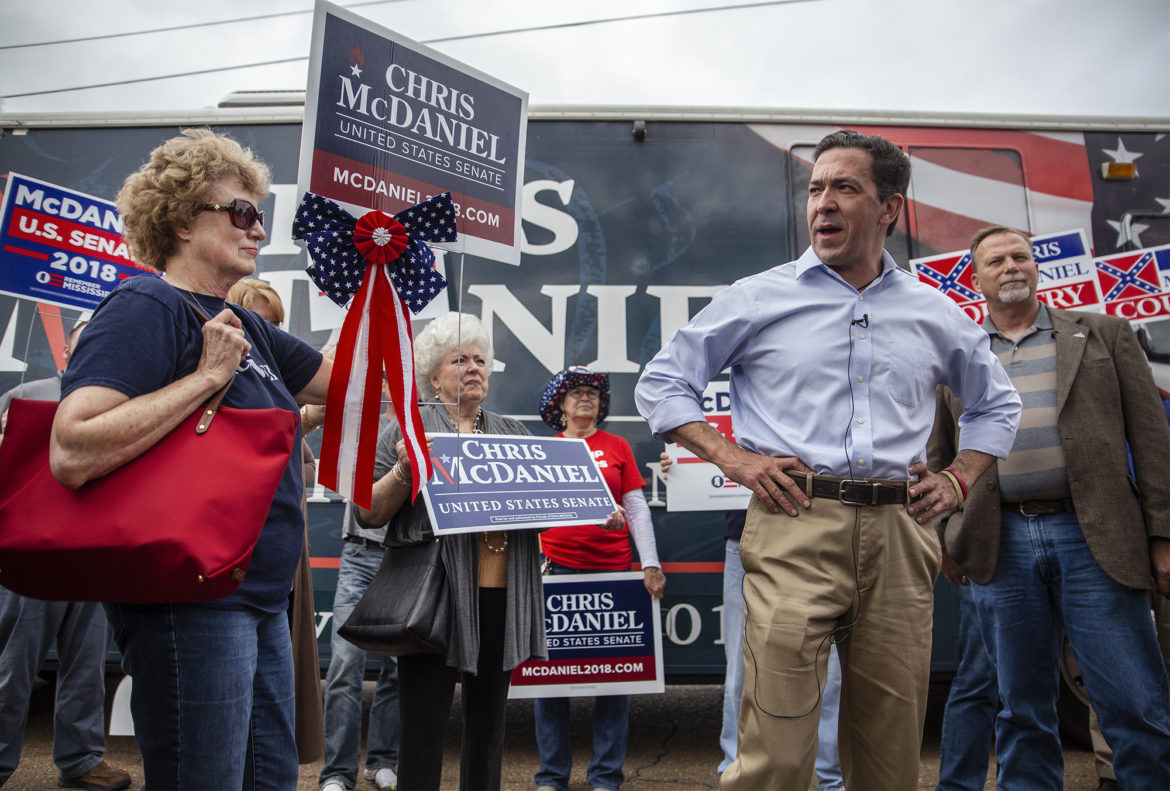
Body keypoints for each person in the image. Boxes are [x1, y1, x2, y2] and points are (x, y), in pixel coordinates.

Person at [634, 130, 1021, 791]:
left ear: (889, 208)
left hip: (901, 537)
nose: (823, 203)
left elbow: (997, 405)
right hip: (794, 523)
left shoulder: (933, 310)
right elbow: (663, 383)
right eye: (815, 188)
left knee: (888, 757)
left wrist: (959, 480)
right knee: (776, 755)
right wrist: (738, 460)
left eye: (845, 187)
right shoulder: (761, 296)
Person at [50, 129, 332, 789]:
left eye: (259, 216)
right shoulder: (145, 305)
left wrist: (383, 275)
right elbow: (72, 446)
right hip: (193, 601)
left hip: (257, 598)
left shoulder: (250, 326)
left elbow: (358, 384)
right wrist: (206, 378)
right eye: (240, 212)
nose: (257, 229)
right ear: (181, 220)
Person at [929, 225, 1170, 791]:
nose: (1011, 266)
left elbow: (1152, 440)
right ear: (977, 278)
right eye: (996, 261)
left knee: (1135, 705)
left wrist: (1163, 535)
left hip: (1096, 539)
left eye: (1020, 256)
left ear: (1036, 267)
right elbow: (937, 452)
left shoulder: (1104, 334)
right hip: (999, 544)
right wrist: (947, 533)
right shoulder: (957, 354)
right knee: (1021, 712)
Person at [355, 313, 620, 791]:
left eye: (480, 359)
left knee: (489, 726)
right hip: (435, 595)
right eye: (460, 360)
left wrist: (592, 507)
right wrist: (404, 471)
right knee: (425, 726)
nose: (474, 368)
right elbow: (368, 513)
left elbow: (541, 502)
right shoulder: (409, 427)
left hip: (500, 593)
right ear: (434, 375)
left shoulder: (511, 431)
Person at [0, 320, 133, 791]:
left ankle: (80, 760)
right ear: (66, 352)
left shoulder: (125, 403)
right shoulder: (25, 397)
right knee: (14, 665)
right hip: (35, 552)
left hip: (94, 554)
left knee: (87, 665)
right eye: (85, 345)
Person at [532, 366, 666, 791]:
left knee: (614, 680)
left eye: (591, 392)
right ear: (561, 404)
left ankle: (605, 777)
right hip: (557, 572)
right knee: (550, 683)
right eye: (575, 393)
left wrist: (650, 563)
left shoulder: (618, 447)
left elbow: (638, 509)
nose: (585, 398)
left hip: (613, 574)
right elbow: (532, 514)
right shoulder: (546, 450)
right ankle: (552, 777)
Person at [226, 277, 327, 767]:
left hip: (276, 569)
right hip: (230, 567)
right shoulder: (224, 375)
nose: (269, 332)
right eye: (259, 321)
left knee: (271, 727)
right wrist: (301, 420)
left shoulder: (279, 388)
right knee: (224, 727)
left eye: (276, 324)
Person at [316, 379, 401, 791]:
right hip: (360, 554)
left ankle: (383, 761)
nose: (387, 385)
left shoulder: (419, 421)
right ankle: (337, 772)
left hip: (402, 557)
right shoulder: (361, 421)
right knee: (345, 665)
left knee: (398, 667)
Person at [932, 546, 997, 791]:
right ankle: (958, 786)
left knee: (1028, 693)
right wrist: (946, 545)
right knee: (977, 677)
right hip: (989, 546)